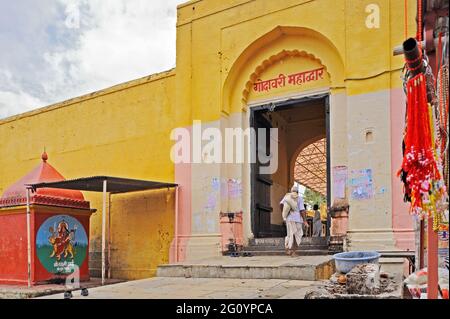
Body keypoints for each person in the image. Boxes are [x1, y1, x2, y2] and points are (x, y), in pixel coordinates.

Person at [281, 185, 308, 256]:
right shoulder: (299, 198)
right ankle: (293, 252)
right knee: (297, 235)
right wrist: (305, 221)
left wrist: (284, 215)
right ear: (297, 192)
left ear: (291, 191)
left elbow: (280, 204)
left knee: (290, 234)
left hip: (289, 219)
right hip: (297, 220)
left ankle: (287, 248)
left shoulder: (287, 197)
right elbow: (302, 210)